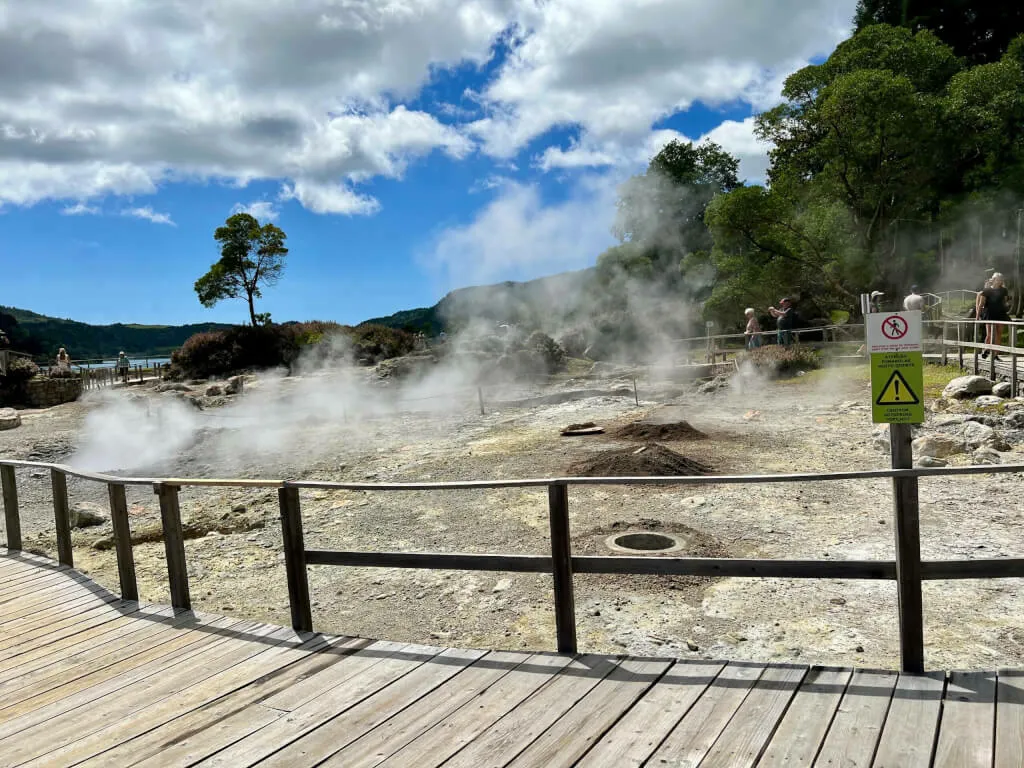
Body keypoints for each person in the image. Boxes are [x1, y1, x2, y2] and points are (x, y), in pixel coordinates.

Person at [979, 273, 1010, 360]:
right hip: (990, 313)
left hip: (1000, 313)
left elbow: (1005, 301)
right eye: (998, 279)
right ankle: (985, 350)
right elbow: (981, 304)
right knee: (989, 334)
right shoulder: (987, 290)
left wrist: (1007, 305)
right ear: (993, 280)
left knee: (999, 334)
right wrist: (978, 316)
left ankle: (996, 354)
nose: (999, 281)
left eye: (1000, 280)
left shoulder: (1004, 290)